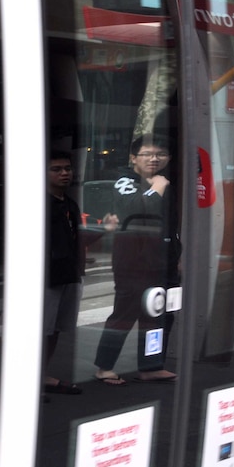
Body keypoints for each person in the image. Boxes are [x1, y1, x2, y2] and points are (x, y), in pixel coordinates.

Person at [94, 134, 180, 385]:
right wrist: (157, 188)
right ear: (133, 158)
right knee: (125, 313)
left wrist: (177, 255)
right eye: (147, 154)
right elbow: (135, 209)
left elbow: (170, 226)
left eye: (160, 154)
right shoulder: (126, 182)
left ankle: (151, 365)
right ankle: (104, 367)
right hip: (133, 259)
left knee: (158, 315)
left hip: (161, 259)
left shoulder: (162, 183)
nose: (154, 159)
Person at [44, 152, 118, 396]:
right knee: (42, 330)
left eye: (67, 168)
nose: (64, 173)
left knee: (55, 330)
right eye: (57, 169)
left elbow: (78, 240)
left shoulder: (69, 204)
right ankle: (31, 379)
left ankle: (42, 375)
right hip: (47, 277)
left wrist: (104, 230)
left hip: (70, 274)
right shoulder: (40, 204)